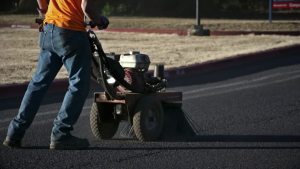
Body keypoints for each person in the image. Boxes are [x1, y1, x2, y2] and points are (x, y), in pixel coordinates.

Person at [3, 0, 109, 150]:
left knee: (38, 84)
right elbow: (86, 7)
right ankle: (61, 134)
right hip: (71, 32)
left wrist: (44, 11)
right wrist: (100, 21)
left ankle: (14, 133)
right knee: (78, 85)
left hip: (48, 29)